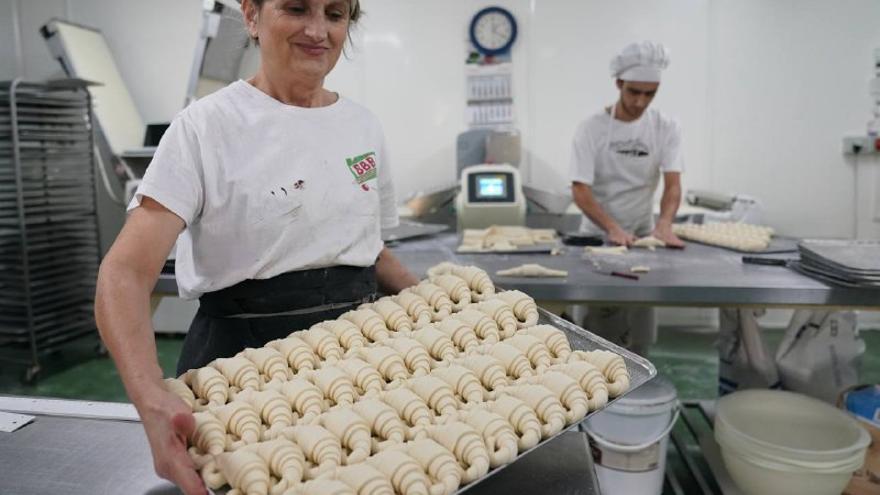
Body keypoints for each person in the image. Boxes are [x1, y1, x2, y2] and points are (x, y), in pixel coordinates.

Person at [94, 1, 418, 493]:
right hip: (243, 372)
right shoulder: (206, 127)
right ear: (251, 15)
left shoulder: (362, 126)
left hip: (357, 366)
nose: (318, 30)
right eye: (296, 8)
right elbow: (125, 274)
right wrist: (150, 398)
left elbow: (367, 250)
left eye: (335, 14)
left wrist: (445, 307)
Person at [568, 41, 684, 356]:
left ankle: (640, 383)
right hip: (597, 237)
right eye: (634, 92)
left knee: (640, 325)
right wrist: (611, 228)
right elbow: (580, 189)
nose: (640, 101)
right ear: (619, 83)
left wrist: (665, 223)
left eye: (650, 94)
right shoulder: (592, 129)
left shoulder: (665, 127)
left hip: (643, 238)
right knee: (598, 334)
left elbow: (672, 183)